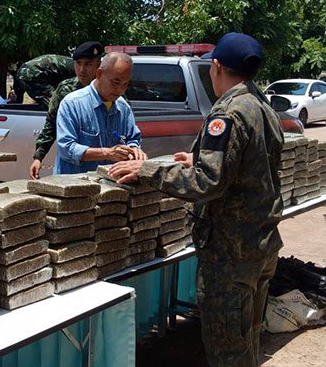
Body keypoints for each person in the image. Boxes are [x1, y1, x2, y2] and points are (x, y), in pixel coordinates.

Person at [108, 33, 283, 367]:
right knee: (247, 343)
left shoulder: (228, 114)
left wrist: (148, 171)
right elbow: (254, 165)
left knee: (227, 352)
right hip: (261, 245)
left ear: (215, 66)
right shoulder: (262, 106)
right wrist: (199, 159)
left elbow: (207, 183)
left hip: (231, 255)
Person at [53, 52, 146, 175]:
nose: (120, 89)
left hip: (110, 186)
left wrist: (134, 149)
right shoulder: (72, 104)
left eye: (125, 84)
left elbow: (132, 138)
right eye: (116, 82)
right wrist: (108, 153)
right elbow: (67, 149)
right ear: (99, 74)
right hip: (73, 187)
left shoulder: (123, 108)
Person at [29, 41, 104, 179]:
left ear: (98, 66)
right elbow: (51, 124)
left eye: (88, 64)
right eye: (78, 63)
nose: (82, 69)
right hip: (69, 169)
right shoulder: (65, 90)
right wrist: (38, 157)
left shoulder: (109, 91)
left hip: (101, 168)